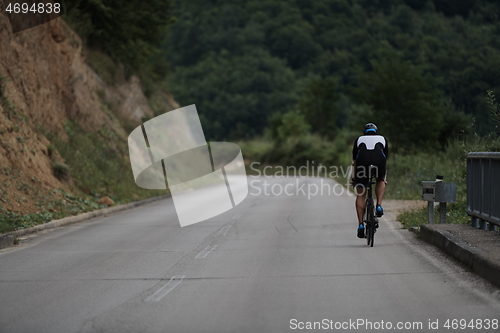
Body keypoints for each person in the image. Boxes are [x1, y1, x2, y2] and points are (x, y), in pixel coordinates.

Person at [351, 123, 388, 238]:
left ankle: (361, 224)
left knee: (361, 194)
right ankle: (379, 205)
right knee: (380, 180)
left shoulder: (359, 140)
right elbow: (384, 158)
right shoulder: (382, 139)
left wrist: (354, 178)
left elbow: (354, 162)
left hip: (362, 163)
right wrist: (383, 179)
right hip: (379, 162)